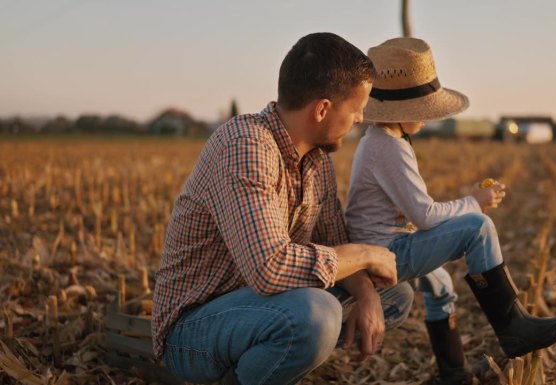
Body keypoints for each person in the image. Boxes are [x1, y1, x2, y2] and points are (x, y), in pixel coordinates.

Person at [152, 32, 415, 385]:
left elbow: (333, 243)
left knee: (394, 296)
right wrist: (366, 253)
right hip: (194, 329)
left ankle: (267, 363)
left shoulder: (318, 161)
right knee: (315, 316)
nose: (360, 119)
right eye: (356, 109)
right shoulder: (245, 146)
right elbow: (270, 269)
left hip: (264, 308)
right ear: (322, 109)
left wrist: (367, 294)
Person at [345, 37, 556, 385]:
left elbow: (413, 213)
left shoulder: (383, 140)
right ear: (402, 110)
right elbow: (423, 215)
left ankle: (454, 373)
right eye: (423, 109)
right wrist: (473, 203)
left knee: (440, 284)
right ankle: (513, 327)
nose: (427, 118)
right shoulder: (387, 147)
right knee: (478, 227)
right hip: (386, 252)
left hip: (386, 242)